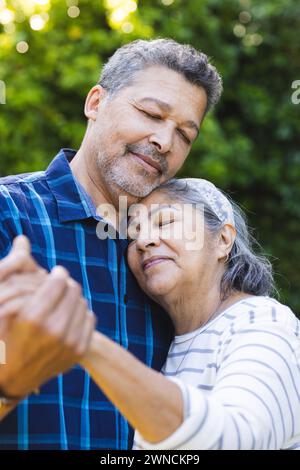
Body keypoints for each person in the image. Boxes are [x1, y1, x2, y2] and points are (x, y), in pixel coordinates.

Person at [0, 39, 222, 449]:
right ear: (96, 102)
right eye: (151, 114)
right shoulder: (8, 214)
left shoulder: (171, 262)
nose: (164, 141)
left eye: (185, 135)